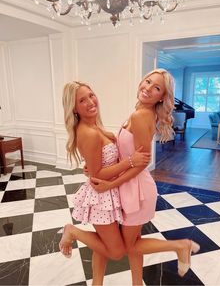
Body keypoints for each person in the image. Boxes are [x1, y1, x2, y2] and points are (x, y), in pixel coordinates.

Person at [91, 69, 200, 285]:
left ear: (162, 97)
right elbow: (129, 155)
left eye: (157, 88)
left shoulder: (140, 115)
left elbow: (141, 163)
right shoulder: (140, 111)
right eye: (148, 82)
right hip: (131, 186)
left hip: (137, 189)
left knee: (129, 246)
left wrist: (110, 183)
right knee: (135, 242)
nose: (148, 88)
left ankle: (181, 246)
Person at [60, 81, 150, 286]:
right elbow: (98, 173)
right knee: (117, 251)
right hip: (101, 197)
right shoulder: (89, 132)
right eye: (82, 100)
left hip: (111, 192)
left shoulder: (94, 126)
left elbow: (95, 167)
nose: (91, 102)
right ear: (73, 108)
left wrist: (93, 168)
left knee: (103, 244)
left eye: (91, 95)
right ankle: (72, 231)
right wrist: (130, 161)